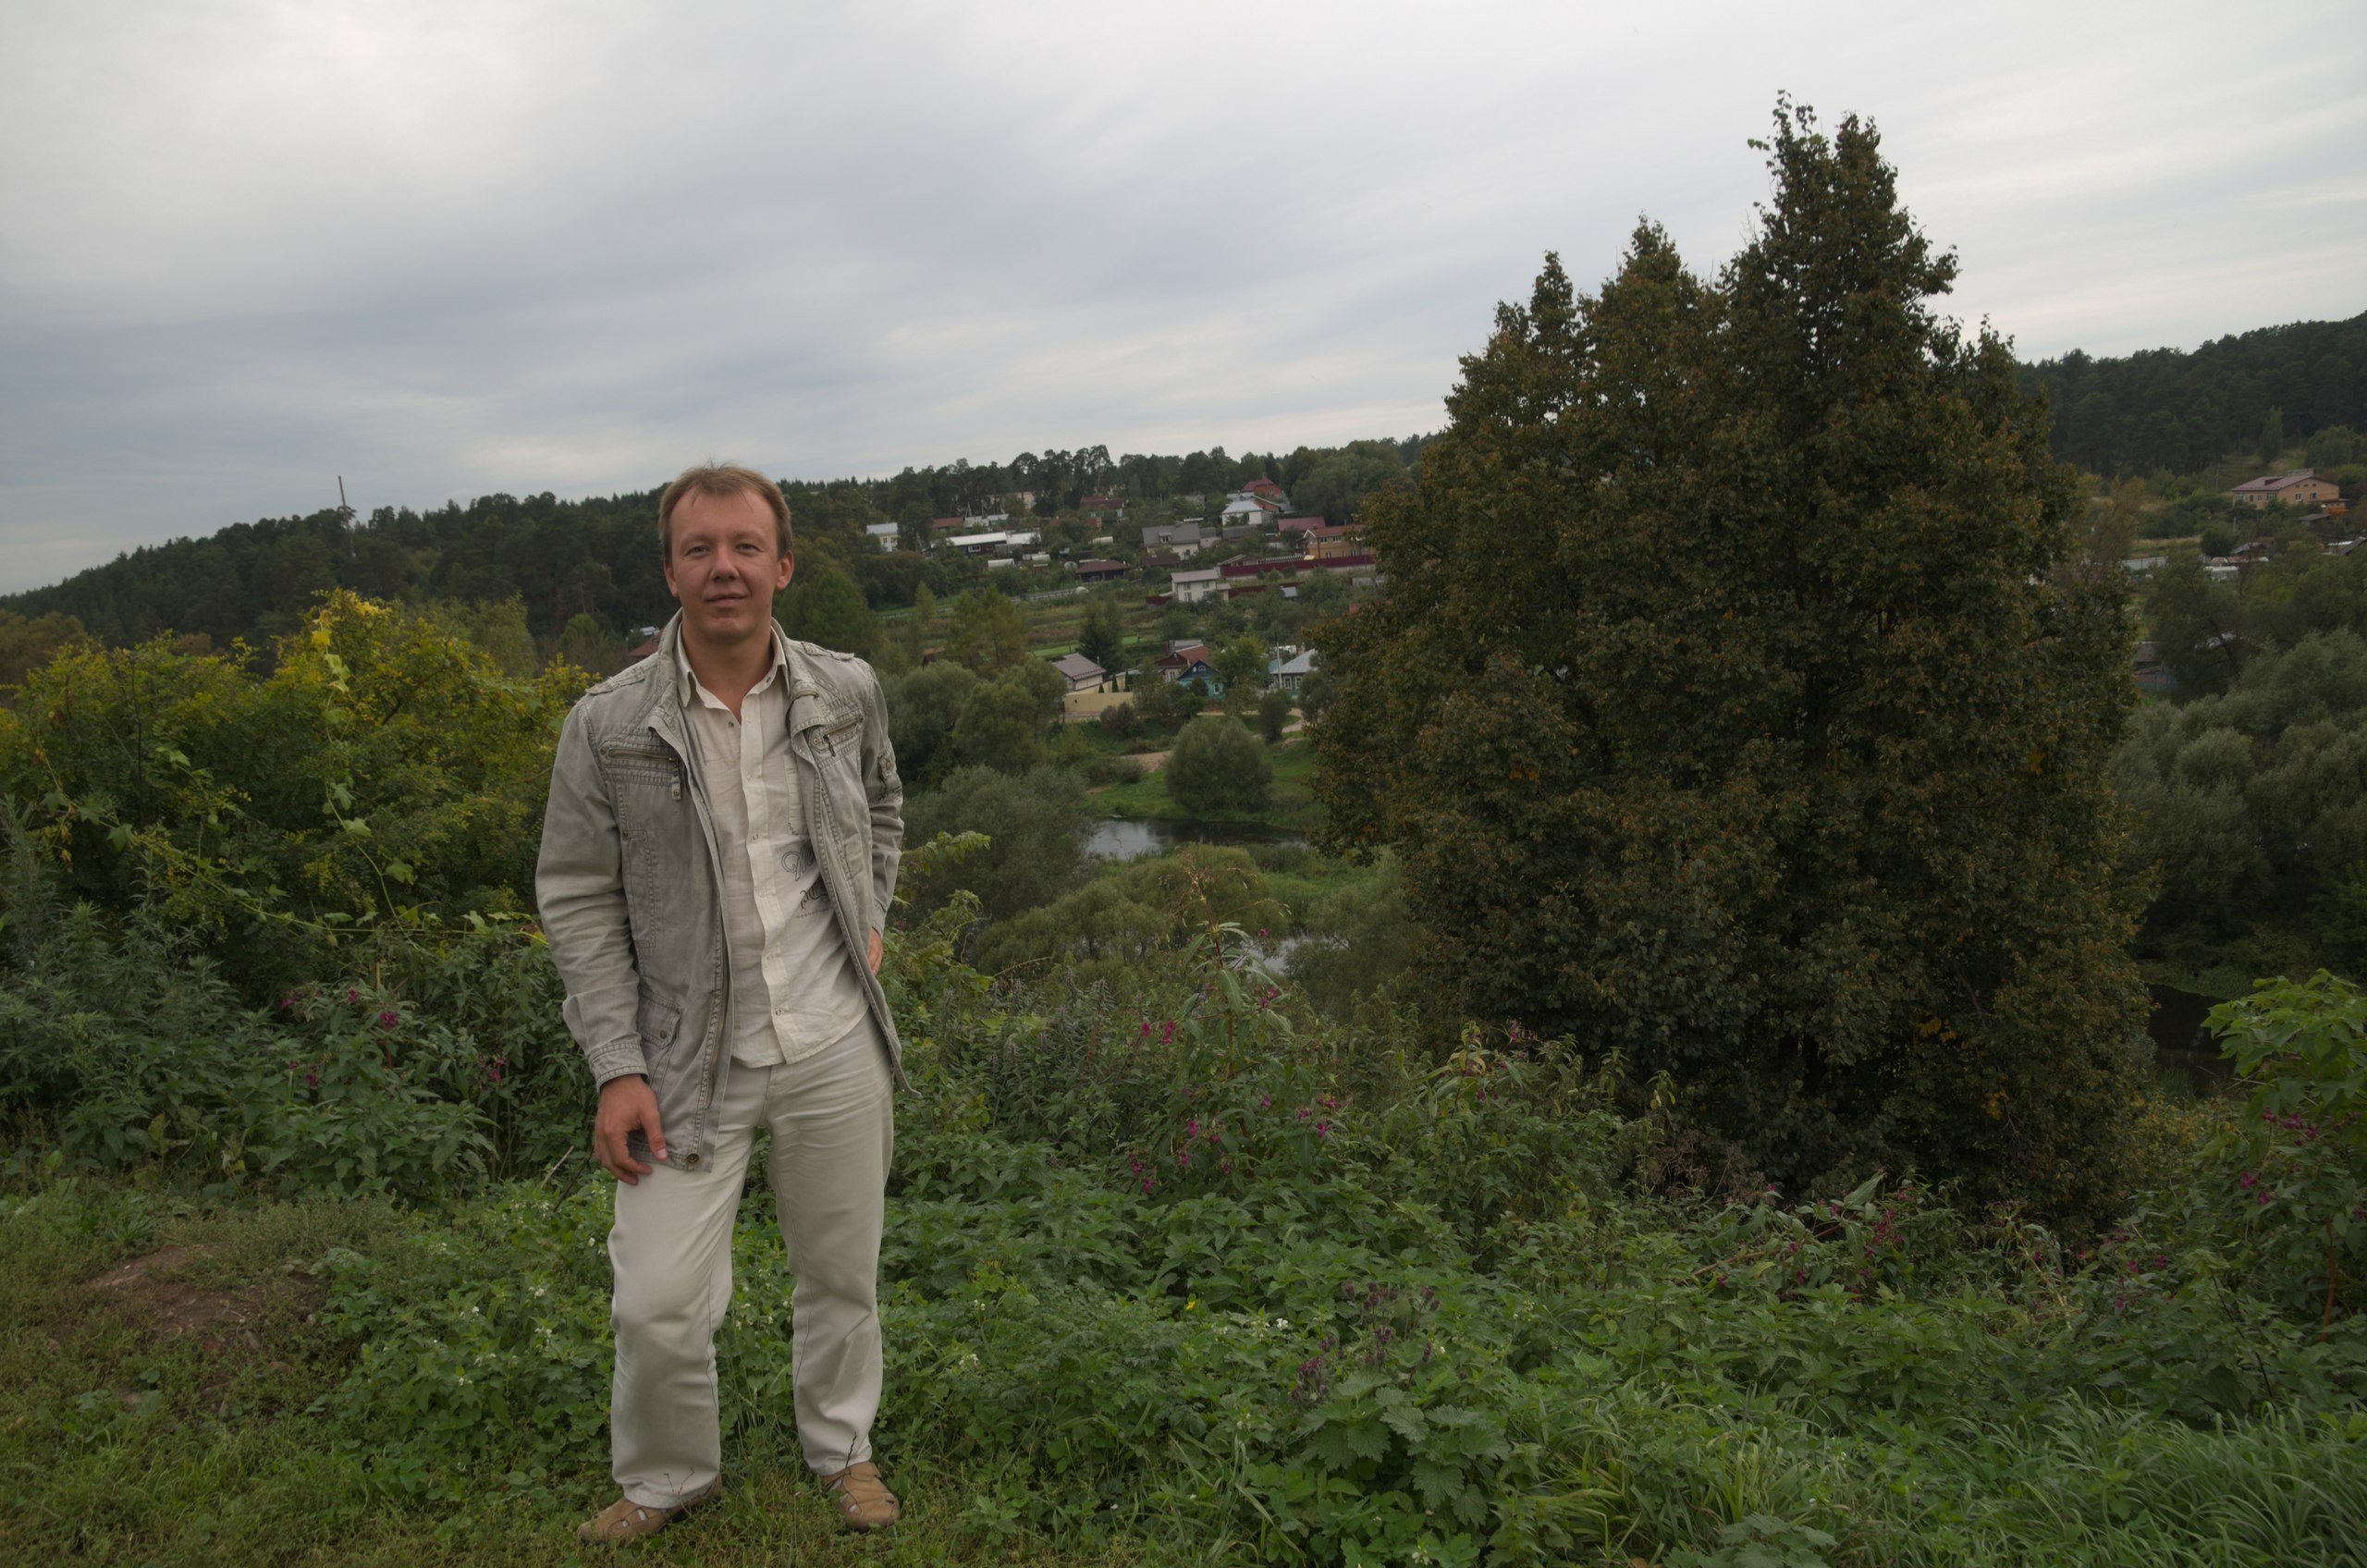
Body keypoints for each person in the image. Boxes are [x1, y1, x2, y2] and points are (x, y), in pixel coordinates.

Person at [535, 462, 906, 1542]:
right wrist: (616, 1064)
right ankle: (666, 1474)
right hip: (682, 1057)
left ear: (783, 565)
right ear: (670, 570)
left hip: (833, 1037)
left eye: (745, 547)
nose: (724, 569)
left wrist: (869, 914)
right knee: (656, 1296)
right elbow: (576, 896)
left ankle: (844, 1448)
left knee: (840, 1271)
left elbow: (883, 801)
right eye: (700, 549)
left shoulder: (845, 693)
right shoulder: (608, 725)